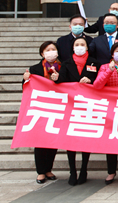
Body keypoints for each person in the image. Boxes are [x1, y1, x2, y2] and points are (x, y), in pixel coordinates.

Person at [57, 37, 100, 186]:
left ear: (87, 47)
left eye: (82, 44)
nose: (80, 47)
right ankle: (72, 171)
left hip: (88, 105)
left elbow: (99, 80)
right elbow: (61, 80)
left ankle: (83, 169)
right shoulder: (66, 63)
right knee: (71, 140)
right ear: (72, 47)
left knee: (85, 138)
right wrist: (56, 78)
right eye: (77, 44)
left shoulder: (94, 62)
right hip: (71, 105)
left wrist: (90, 81)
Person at [93, 41, 118, 185]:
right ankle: (111, 172)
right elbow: (97, 85)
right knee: (110, 142)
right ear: (112, 54)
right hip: (110, 110)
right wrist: (109, 71)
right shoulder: (105, 67)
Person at [22, 41, 61, 184]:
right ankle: (40, 172)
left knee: (52, 141)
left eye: (53, 49)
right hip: (40, 106)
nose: (51, 52)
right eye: (47, 49)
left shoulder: (63, 67)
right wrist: (25, 79)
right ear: (42, 53)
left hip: (57, 107)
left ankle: (48, 169)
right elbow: (26, 87)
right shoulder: (35, 68)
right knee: (39, 140)